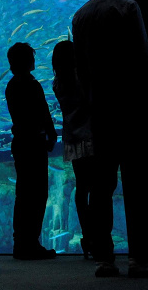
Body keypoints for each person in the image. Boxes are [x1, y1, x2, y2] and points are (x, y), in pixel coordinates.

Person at [71, 0, 148, 279]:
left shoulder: (80, 15)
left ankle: (105, 259)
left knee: (101, 186)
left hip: (100, 111)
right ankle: (140, 259)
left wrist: (89, 103)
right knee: (137, 183)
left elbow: (81, 69)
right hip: (131, 108)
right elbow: (143, 56)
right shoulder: (128, 8)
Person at [5, 42, 57, 260]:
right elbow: (43, 113)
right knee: (37, 193)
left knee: (23, 194)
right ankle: (32, 243)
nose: (35, 60)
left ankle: (21, 243)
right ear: (26, 60)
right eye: (31, 57)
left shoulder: (11, 85)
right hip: (33, 144)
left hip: (20, 143)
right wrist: (51, 134)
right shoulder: (31, 84)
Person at [51, 40, 94, 259]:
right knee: (96, 187)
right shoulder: (80, 80)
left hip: (72, 138)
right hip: (89, 136)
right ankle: (96, 236)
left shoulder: (57, 82)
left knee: (82, 188)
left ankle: (87, 235)